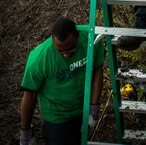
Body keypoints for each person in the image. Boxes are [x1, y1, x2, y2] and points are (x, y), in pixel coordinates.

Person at [19, 16, 104, 145]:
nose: (66, 54)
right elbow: (30, 94)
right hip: (57, 118)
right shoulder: (39, 59)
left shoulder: (91, 38)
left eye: (71, 49)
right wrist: (26, 133)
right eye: (61, 51)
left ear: (77, 35)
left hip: (83, 110)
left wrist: (94, 107)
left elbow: (98, 68)